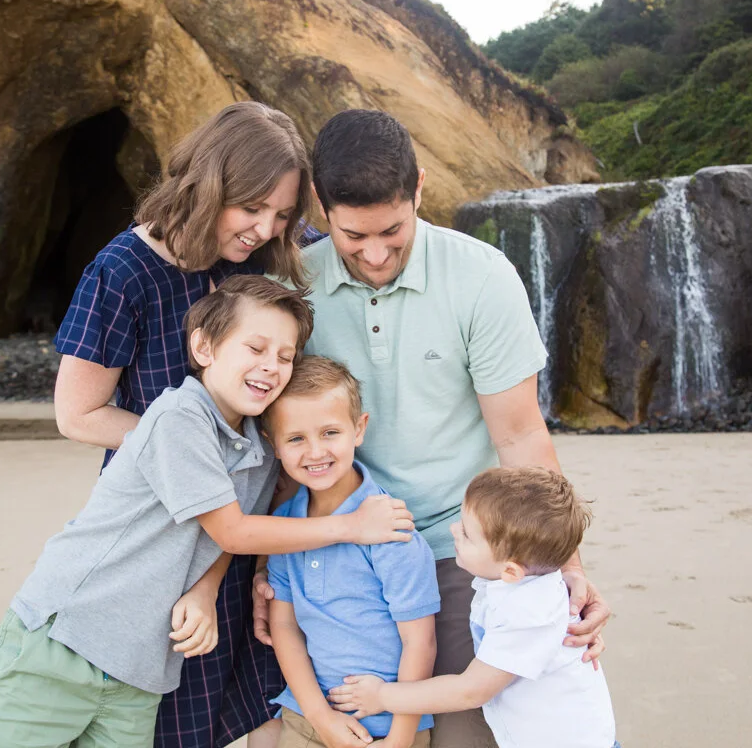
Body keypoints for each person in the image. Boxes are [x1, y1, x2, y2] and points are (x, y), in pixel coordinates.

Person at [256, 109, 611, 748]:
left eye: (393, 230)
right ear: (320, 205)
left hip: (463, 548)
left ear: (419, 187)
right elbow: (275, 436)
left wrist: (563, 569)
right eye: (352, 235)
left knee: (469, 737)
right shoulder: (290, 287)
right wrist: (273, 560)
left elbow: (521, 438)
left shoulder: (481, 277)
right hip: (336, 546)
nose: (374, 253)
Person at [0, 277, 416, 748]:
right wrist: (353, 526)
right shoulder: (179, 417)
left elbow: (229, 532)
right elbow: (235, 531)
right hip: (66, 639)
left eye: (285, 357)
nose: (270, 367)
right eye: (255, 348)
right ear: (204, 346)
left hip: (141, 669)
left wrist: (206, 588)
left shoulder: (260, 446)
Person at [51, 102, 331, 748]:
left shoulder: (266, 256)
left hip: (256, 521)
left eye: (283, 214)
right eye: (251, 207)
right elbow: (78, 415)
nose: (264, 227)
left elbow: (349, 239)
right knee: (178, 718)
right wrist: (197, 453)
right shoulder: (122, 272)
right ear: (210, 184)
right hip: (166, 533)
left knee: (265, 698)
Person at [328, 467, 617, 748]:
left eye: (466, 534)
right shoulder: (525, 579)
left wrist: (382, 696)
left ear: (511, 571)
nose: (454, 530)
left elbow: (471, 691)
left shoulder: (528, 614)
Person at [262, 356, 440, 748]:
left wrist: (400, 739)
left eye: (330, 433)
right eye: (295, 438)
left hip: (388, 726)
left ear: (359, 429)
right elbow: (286, 627)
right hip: (308, 716)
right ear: (273, 444)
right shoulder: (285, 526)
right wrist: (319, 715)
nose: (315, 452)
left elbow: (420, 642)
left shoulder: (391, 530)